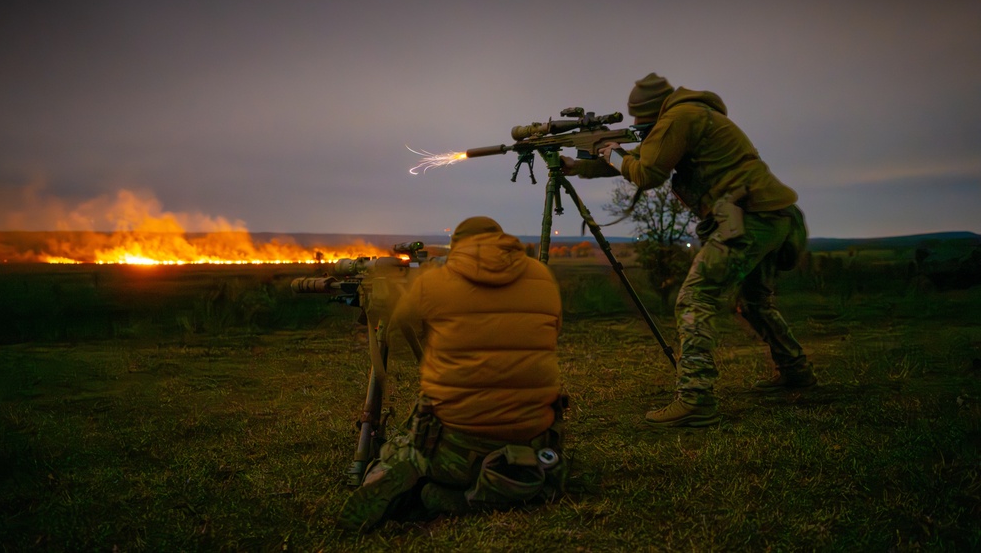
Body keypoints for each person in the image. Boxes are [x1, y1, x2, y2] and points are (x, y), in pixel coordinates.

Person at [562, 73, 815, 428]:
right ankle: (796, 371)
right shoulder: (693, 114)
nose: (635, 125)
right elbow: (645, 161)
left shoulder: (681, 117)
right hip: (773, 215)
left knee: (695, 298)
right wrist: (580, 167)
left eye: (637, 118)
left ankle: (696, 399)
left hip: (752, 218)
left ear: (649, 111)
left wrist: (614, 154)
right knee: (754, 303)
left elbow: (646, 173)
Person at [337, 216, 567, 531]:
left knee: (396, 456)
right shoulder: (542, 275)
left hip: (457, 450)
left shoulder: (435, 282)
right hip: (537, 443)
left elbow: (396, 329)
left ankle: (430, 493)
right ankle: (518, 483)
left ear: (457, 247)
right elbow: (549, 334)